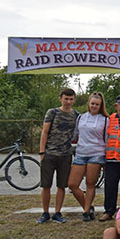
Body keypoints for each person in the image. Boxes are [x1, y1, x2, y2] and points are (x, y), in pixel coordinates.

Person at [37, 88, 79, 224]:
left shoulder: (76, 115)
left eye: (71, 99)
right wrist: (42, 151)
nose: (68, 101)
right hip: (49, 153)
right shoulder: (52, 112)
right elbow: (44, 132)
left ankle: (57, 212)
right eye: (66, 99)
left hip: (66, 154)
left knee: (62, 185)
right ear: (60, 98)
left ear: (74, 100)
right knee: (46, 185)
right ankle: (45, 212)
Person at [68, 92, 108, 222]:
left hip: (96, 153)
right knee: (72, 184)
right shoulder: (81, 117)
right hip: (81, 153)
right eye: (92, 104)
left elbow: (107, 138)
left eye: (97, 104)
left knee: (90, 183)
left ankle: (86, 212)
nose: (94, 106)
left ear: (101, 106)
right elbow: (75, 134)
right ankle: (88, 206)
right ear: (88, 104)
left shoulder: (105, 119)